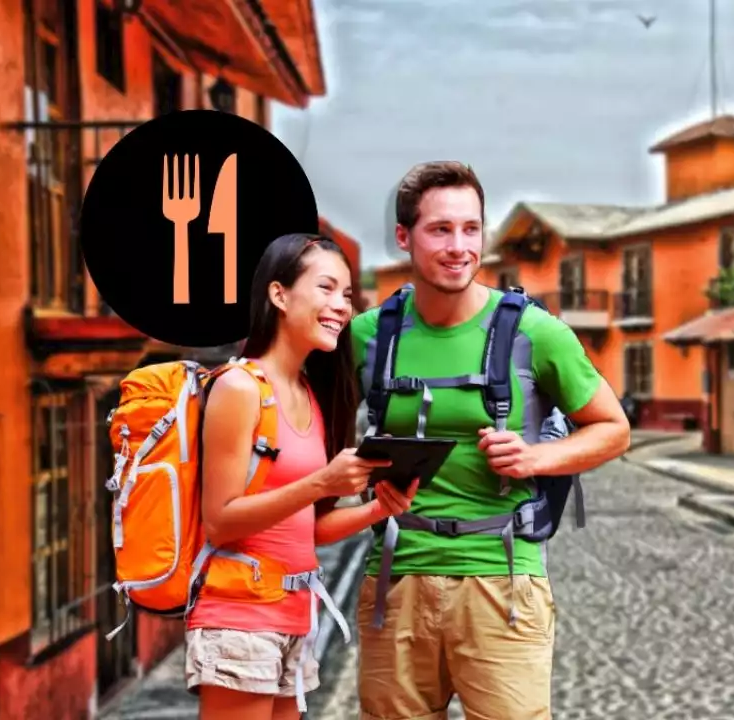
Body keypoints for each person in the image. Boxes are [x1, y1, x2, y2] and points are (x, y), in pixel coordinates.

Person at [350, 161, 631, 720]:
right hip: (395, 578)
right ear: (404, 237)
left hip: (503, 579)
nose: (459, 246)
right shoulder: (367, 336)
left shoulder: (534, 331)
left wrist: (536, 457)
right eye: (440, 230)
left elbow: (613, 427)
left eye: (471, 229)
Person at [188, 233, 419, 720]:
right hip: (240, 618)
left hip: (295, 615)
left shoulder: (312, 395)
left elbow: (305, 530)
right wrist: (321, 484)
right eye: (326, 288)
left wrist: (379, 508)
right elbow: (220, 521)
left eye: (348, 295)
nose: (341, 306)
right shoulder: (239, 387)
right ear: (278, 295)